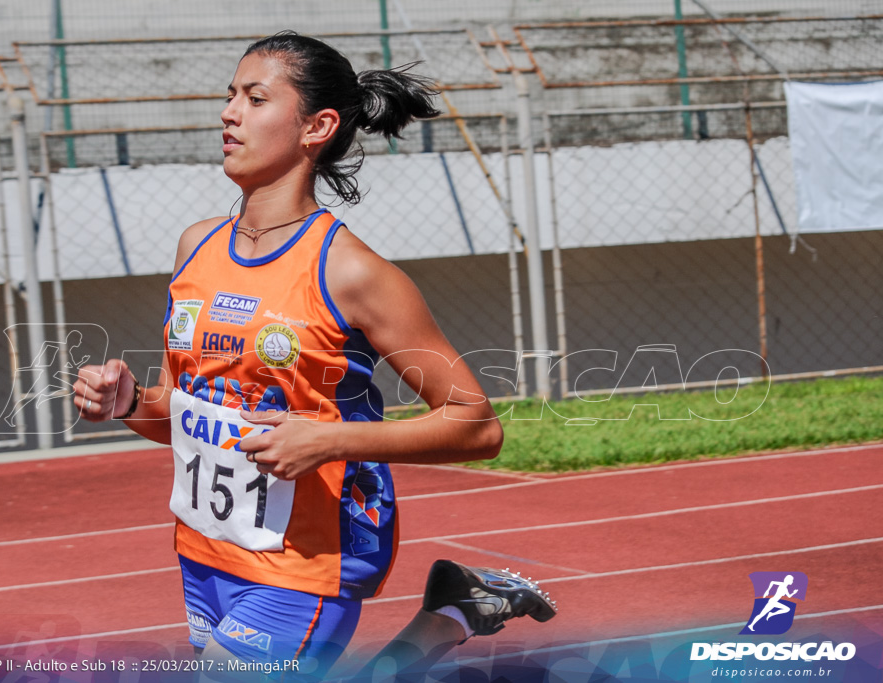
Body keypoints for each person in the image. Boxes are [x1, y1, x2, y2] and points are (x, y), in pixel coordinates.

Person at [73, 31, 555, 679]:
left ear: (316, 126)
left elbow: (476, 423)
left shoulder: (352, 272)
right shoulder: (196, 247)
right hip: (209, 546)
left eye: (254, 97)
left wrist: (328, 440)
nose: (229, 112)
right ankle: (452, 613)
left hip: (312, 553)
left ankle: (453, 614)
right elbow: (179, 414)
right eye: (229, 95)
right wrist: (129, 401)